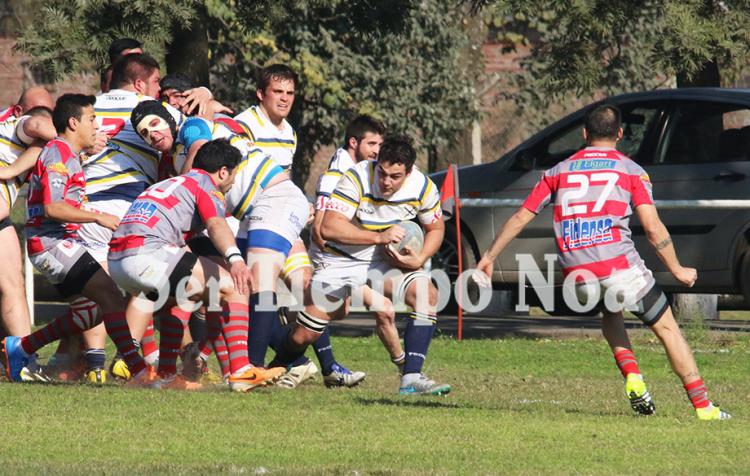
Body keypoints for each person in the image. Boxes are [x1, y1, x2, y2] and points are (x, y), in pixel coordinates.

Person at [475, 103, 731, 420]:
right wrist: (677, 268)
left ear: (584, 133)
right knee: (667, 328)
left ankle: (633, 376)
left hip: (577, 276)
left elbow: (519, 217)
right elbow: (653, 228)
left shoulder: (557, 172)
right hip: (619, 268)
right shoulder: (631, 171)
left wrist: (489, 256)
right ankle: (703, 407)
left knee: (610, 310)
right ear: (620, 134)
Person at [270, 136, 451, 396]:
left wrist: (420, 258)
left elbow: (435, 228)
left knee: (426, 294)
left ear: (409, 171)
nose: (386, 181)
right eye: (382, 173)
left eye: (395, 177)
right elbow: (329, 227)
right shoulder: (356, 177)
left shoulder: (423, 187)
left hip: (382, 260)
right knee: (304, 335)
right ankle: (274, 366)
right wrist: (378, 237)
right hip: (340, 260)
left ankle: (411, 377)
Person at [108, 138, 284, 391]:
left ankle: (167, 376)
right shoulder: (206, 185)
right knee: (235, 286)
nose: (233, 181)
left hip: (118, 261)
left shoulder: (171, 183)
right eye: (234, 174)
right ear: (223, 171)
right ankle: (242, 371)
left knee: (179, 299)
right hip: (147, 254)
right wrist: (235, 260)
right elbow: (216, 224)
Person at [0, 94, 148, 384]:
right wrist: (97, 217)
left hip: (58, 243)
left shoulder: (68, 154)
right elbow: (53, 207)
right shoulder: (58, 153)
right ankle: (138, 369)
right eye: (91, 119)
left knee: (91, 312)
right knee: (111, 297)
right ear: (73, 122)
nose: (97, 125)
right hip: (51, 243)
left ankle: (21, 347)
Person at [310, 115, 406, 378]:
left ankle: (406, 369)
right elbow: (319, 230)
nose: (378, 150)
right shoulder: (336, 176)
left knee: (340, 311)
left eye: (380, 144)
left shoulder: (366, 174)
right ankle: (407, 370)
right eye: (372, 144)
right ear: (354, 142)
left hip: (355, 258)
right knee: (383, 308)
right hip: (335, 260)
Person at [0, 107, 56, 360]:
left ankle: (23, 359)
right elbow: (38, 125)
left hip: (2, 221)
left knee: (13, 284)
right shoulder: (17, 124)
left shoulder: (32, 147)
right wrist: (11, 171)